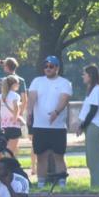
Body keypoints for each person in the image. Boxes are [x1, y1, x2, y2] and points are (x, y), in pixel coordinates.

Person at [28, 56, 72, 187]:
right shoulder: (37, 81)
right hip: (39, 126)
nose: (48, 68)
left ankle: (62, 184)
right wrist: (29, 112)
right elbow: (32, 97)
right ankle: (41, 184)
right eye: (46, 66)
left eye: (51, 66)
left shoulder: (64, 83)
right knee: (41, 156)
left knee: (59, 156)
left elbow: (64, 99)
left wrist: (56, 112)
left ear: (57, 68)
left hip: (58, 127)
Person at [76, 65, 99, 188]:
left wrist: (82, 125)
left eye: (85, 74)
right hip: (92, 126)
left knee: (94, 157)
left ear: (90, 76)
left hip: (95, 126)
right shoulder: (92, 90)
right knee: (91, 157)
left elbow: (93, 110)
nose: (83, 76)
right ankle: (95, 184)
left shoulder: (97, 90)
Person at [0, 75, 26, 156]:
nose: (19, 85)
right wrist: (15, 119)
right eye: (18, 83)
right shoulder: (15, 95)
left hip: (3, 126)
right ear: (13, 84)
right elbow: (16, 108)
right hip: (13, 126)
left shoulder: (0, 96)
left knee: (3, 150)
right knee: (10, 152)